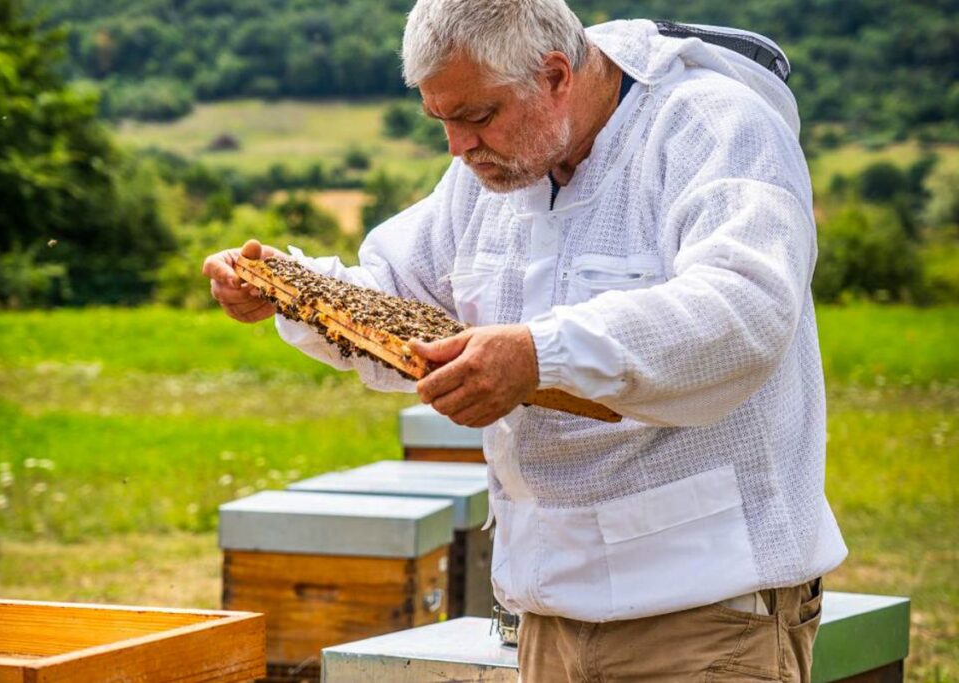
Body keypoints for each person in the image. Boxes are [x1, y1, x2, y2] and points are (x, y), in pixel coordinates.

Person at [202, 1, 847, 680]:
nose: (457, 145)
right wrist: (287, 285)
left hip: (707, 621)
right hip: (547, 619)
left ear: (556, 75)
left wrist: (539, 354)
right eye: (442, 120)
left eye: (478, 116)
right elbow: (395, 298)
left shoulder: (716, 130)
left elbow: (742, 312)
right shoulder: (491, 172)